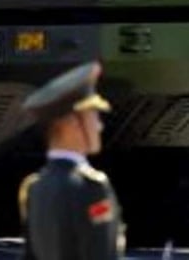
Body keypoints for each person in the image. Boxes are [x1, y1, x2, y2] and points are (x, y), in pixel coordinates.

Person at [18, 61, 124, 260]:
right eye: (93, 117)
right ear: (72, 123)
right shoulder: (90, 188)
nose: (99, 126)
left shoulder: (35, 188)